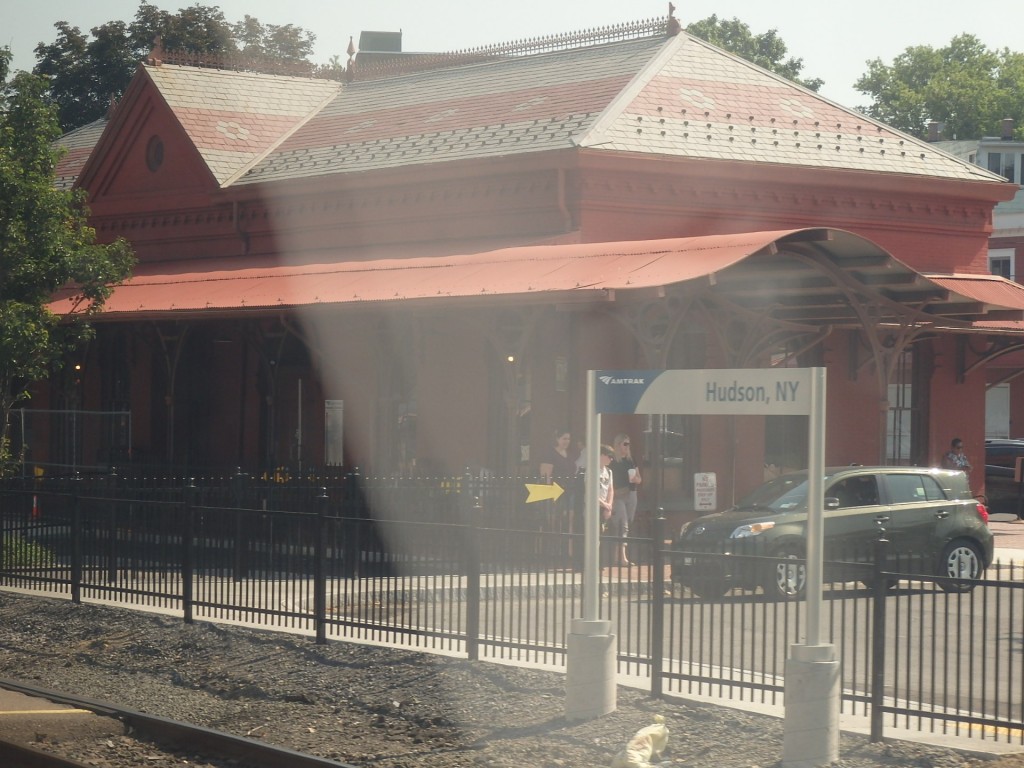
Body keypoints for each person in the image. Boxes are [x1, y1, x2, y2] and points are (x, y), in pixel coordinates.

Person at [607, 435, 635, 567]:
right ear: (618, 445)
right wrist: (614, 493)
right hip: (617, 495)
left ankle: (617, 556)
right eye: (625, 444)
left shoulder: (630, 460)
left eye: (628, 444)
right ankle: (622, 558)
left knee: (627, 523)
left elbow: (635, 479)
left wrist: (636, 479)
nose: (627, 446)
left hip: (629, 494)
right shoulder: (612, 461)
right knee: (622, 524)